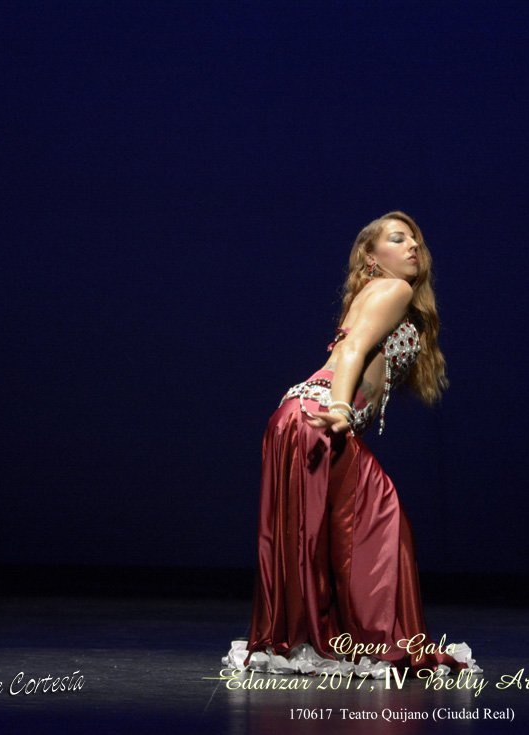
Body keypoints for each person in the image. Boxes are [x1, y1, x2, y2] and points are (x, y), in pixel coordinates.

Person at [221, 211, 479, 678]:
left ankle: (324, 637)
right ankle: (372, 641)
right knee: (383, 519)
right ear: (370, 255)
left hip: (296, 417)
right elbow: (355, 348)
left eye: (415, 240)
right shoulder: (394, 290)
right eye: (398, 239)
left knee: (321, 536)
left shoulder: (374, 293)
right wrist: (341, 410)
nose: (413, 246)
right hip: (320, 417)